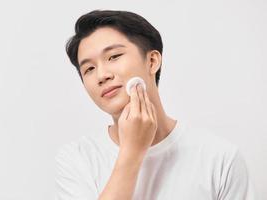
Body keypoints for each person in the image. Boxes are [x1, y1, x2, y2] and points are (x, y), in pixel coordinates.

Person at [55, 10, 255, 200]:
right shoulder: (78, 159)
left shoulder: (220, 159)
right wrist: (131, 151)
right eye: (89, 69)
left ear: (152, 61)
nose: (101, 75)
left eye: (114, 57)